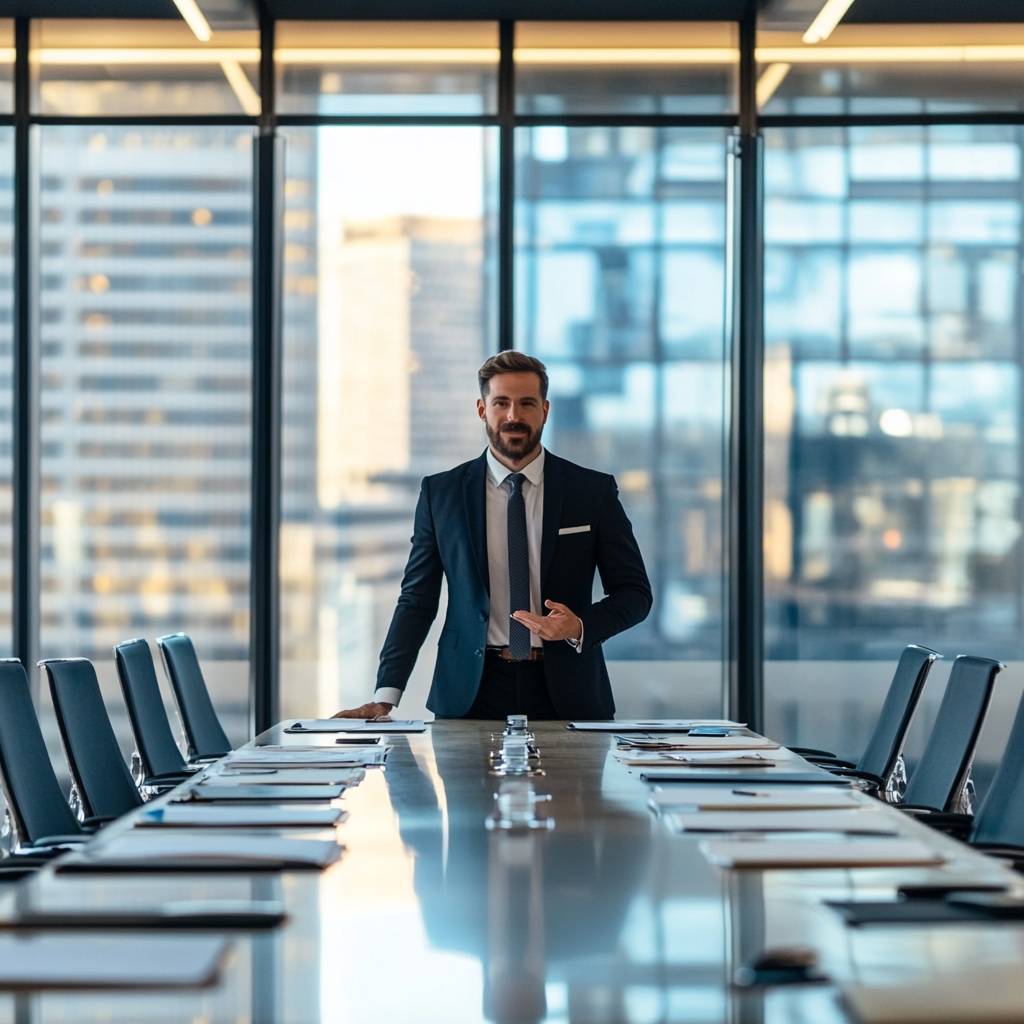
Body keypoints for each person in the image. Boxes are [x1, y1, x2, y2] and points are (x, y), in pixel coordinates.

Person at [334, 352, 652, 721]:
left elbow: (635, 594)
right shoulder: (442, 494)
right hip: (470, 692)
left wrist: (580, 626)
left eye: (526, 404)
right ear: (483, 409)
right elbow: (417, 599)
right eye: (501, 403)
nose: (513, 416)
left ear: (545, 410)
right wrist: (386, 694)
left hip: (570, 691)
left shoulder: (591, 492)